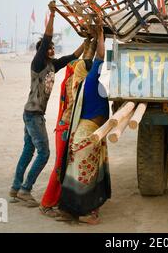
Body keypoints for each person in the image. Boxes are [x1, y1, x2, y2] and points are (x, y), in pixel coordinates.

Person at [9, 1, 90, 206]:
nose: (52, 50)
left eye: (53, 48)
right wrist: (52, 15)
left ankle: (15, 188)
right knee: (43, 153)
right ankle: (25, 190)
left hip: (34, 114)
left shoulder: (53, 65)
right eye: (50, 48)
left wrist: (89, 41)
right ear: (43, 51)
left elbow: (73, 57)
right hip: (33, 114)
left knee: (28, 151)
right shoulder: (37, 63)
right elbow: (46, 39)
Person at [57, 20, 110, 224]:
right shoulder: (91, 82)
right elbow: (99, 57)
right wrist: (101, 37)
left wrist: (93, 38)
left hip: (80, 135)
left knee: (75, 176)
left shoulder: (79, 83)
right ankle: (87, 214)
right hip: (88, 135)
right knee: (87, 176)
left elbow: (88, 58)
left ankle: (68, 210)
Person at [39, 38, 97, 217]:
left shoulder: (70, 79)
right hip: (65, 129)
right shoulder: (75, 85)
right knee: (60, 166)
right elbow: (84, 65)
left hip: (65, 127)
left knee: (66, 166)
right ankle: (46, 204)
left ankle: (60, 202)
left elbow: (77, 58)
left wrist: (90, 43)